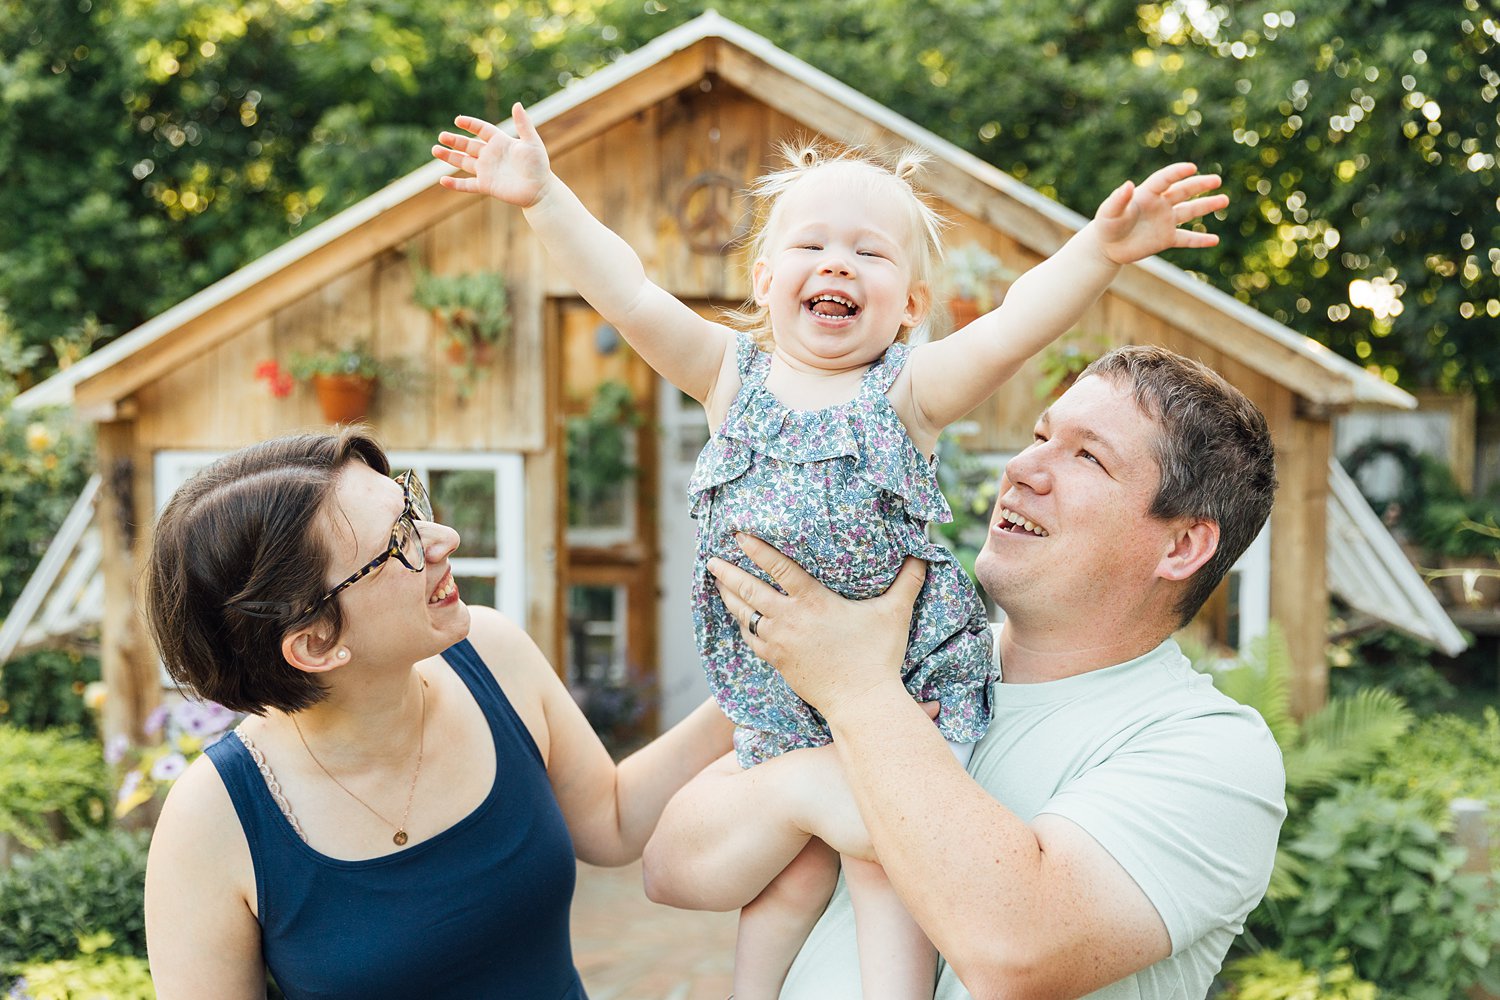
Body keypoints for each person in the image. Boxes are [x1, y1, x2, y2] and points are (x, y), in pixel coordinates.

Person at [432, 104, 1228, 999]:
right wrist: (543, 197)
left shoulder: (909, 393)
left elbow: (1014, 325)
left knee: (886, 855)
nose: (838, 262)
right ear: (766, 281)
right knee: (788, 879)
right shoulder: (729, 378)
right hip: (777, 690)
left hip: (903, 679)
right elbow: (624, 289)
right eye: (811, 246)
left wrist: (1099, 250)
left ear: (912, 307)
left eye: (872, 253)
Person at [642, 344, 1288, 999]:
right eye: (1040, 436)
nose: (1021, 467)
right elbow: (671, 868)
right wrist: (808, 786)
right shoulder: (915, 656)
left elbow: (1014, 950)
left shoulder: (1214, 750)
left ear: (1182, 546)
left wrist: (860, 695)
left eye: (1087, 456)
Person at [141, 429, 733, 999]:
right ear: (317, 643)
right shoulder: (213, 819)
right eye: (400, 540)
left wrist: (764, 680)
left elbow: (613, 818)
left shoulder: (494, 657)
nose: (442, 537)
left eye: (413, 503)